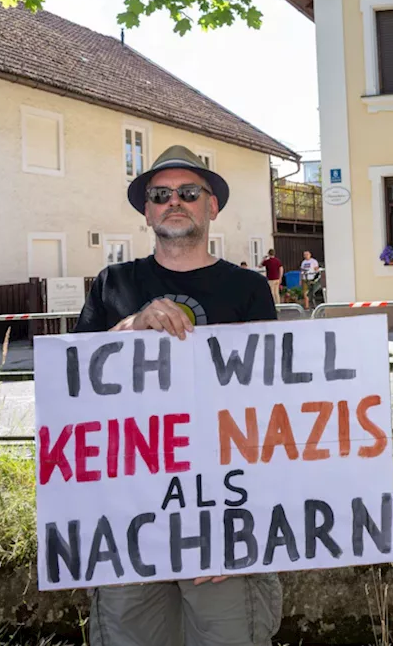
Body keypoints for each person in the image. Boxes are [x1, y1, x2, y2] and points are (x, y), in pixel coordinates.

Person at [73, 145, 282, 646]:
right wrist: (131, 325)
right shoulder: (112, 284)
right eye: (160, 195)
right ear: (146, 211)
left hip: (224, 514)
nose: (174, 202)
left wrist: (242, 532)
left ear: (212, 206)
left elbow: (274, 410)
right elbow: (73, 385)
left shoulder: (248, 289)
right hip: (128, 515)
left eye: (188, 193)